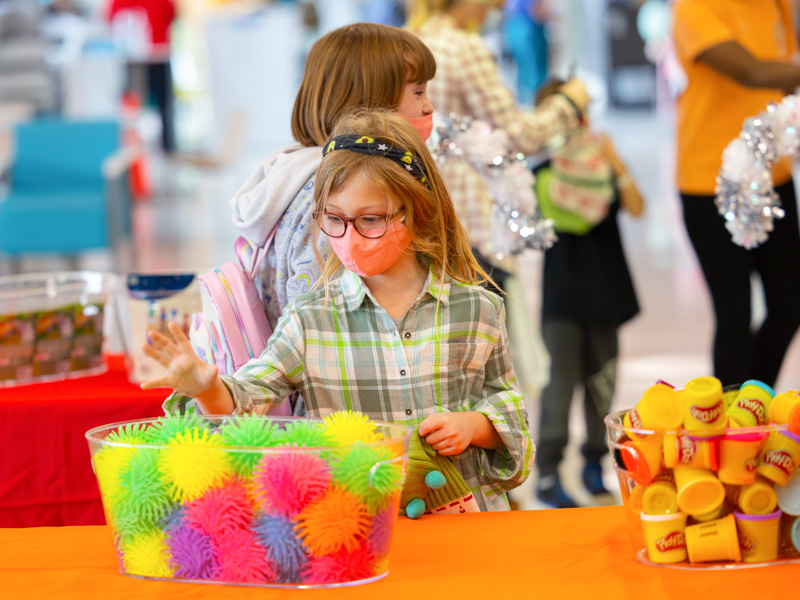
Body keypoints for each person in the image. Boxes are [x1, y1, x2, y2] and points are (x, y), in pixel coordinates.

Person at [142, 109, 535, 512]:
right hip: (357, 532)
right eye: (334, 219)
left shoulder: (477, 308)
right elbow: (248, 398)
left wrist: (475, 427)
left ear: (417, 212)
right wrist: (207, 387)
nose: (349, 238)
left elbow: (510, 409)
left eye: (370, 220)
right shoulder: (310, 319)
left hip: (468, 534)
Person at [228, 23, 435, 332]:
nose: (428, 105)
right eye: (418, 91)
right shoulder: (343, 184)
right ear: (372, 101)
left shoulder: (295, 170)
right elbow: (320, 309)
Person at [407, 0, 589, 280]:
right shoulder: (463, 48)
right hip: (469, 219)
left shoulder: (407, 40)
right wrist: (568, 103)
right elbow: (519, 135)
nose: (498, 7)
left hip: (421, 209)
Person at [673, 0, 800, 387]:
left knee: (790, 303)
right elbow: (751, 72)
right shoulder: (694, 7)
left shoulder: (776, 4)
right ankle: (731, 432)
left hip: (771, 175)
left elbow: (785, 75)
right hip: (708, 183)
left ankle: (751, 409)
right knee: (734, 315)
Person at [532, 80, 642, 508]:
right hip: (562, 296)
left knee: (602, 383)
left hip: (606, 291)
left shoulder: (601, 164)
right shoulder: (540, 170)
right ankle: (547, 474)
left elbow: (636, 206)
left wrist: (615, 162)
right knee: (559, 386)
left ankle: (596, 464)